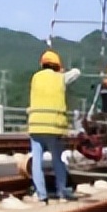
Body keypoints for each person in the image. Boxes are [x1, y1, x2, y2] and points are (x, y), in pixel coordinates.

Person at [27, 49, 82, 202]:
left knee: (36, 161)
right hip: (54, 127)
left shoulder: (35, 78)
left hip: (35, 126)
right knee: (57, 160)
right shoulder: (60, 78)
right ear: (57, 65)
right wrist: (62, 72)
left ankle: (41, 196)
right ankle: (62, 192)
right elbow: (77, 72)